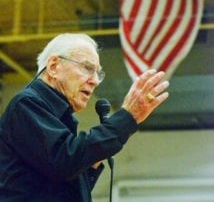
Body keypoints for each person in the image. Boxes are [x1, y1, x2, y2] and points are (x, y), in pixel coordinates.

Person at [0, 33, 169, 202]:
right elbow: (65, 161)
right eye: (87, 68)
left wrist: (93, 158)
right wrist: (127, 117)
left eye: (98, 74)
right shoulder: (26, 104)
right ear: (53, 66)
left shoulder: (58, 117)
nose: (95, 81)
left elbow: (61, 186)